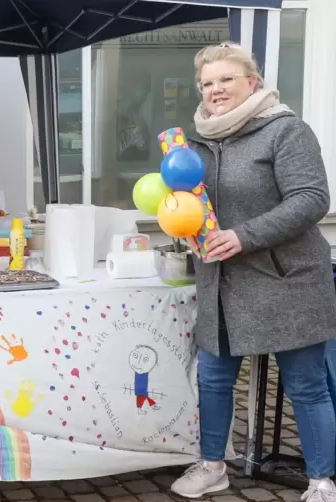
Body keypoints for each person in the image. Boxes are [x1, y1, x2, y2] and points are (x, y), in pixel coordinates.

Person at [170, 43, 336, 501]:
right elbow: (188, 201)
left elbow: (310, 199)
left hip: (286, 279)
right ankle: (212, 466)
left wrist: (245, 235)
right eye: (207, 83)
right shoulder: (195, 139)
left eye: (226, 79)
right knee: (214, 380)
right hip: (220, 281)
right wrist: (180, 225)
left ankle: (321, 481)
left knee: (305, 385)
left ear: (253, 82)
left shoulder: (285, 131)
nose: (216, 89)